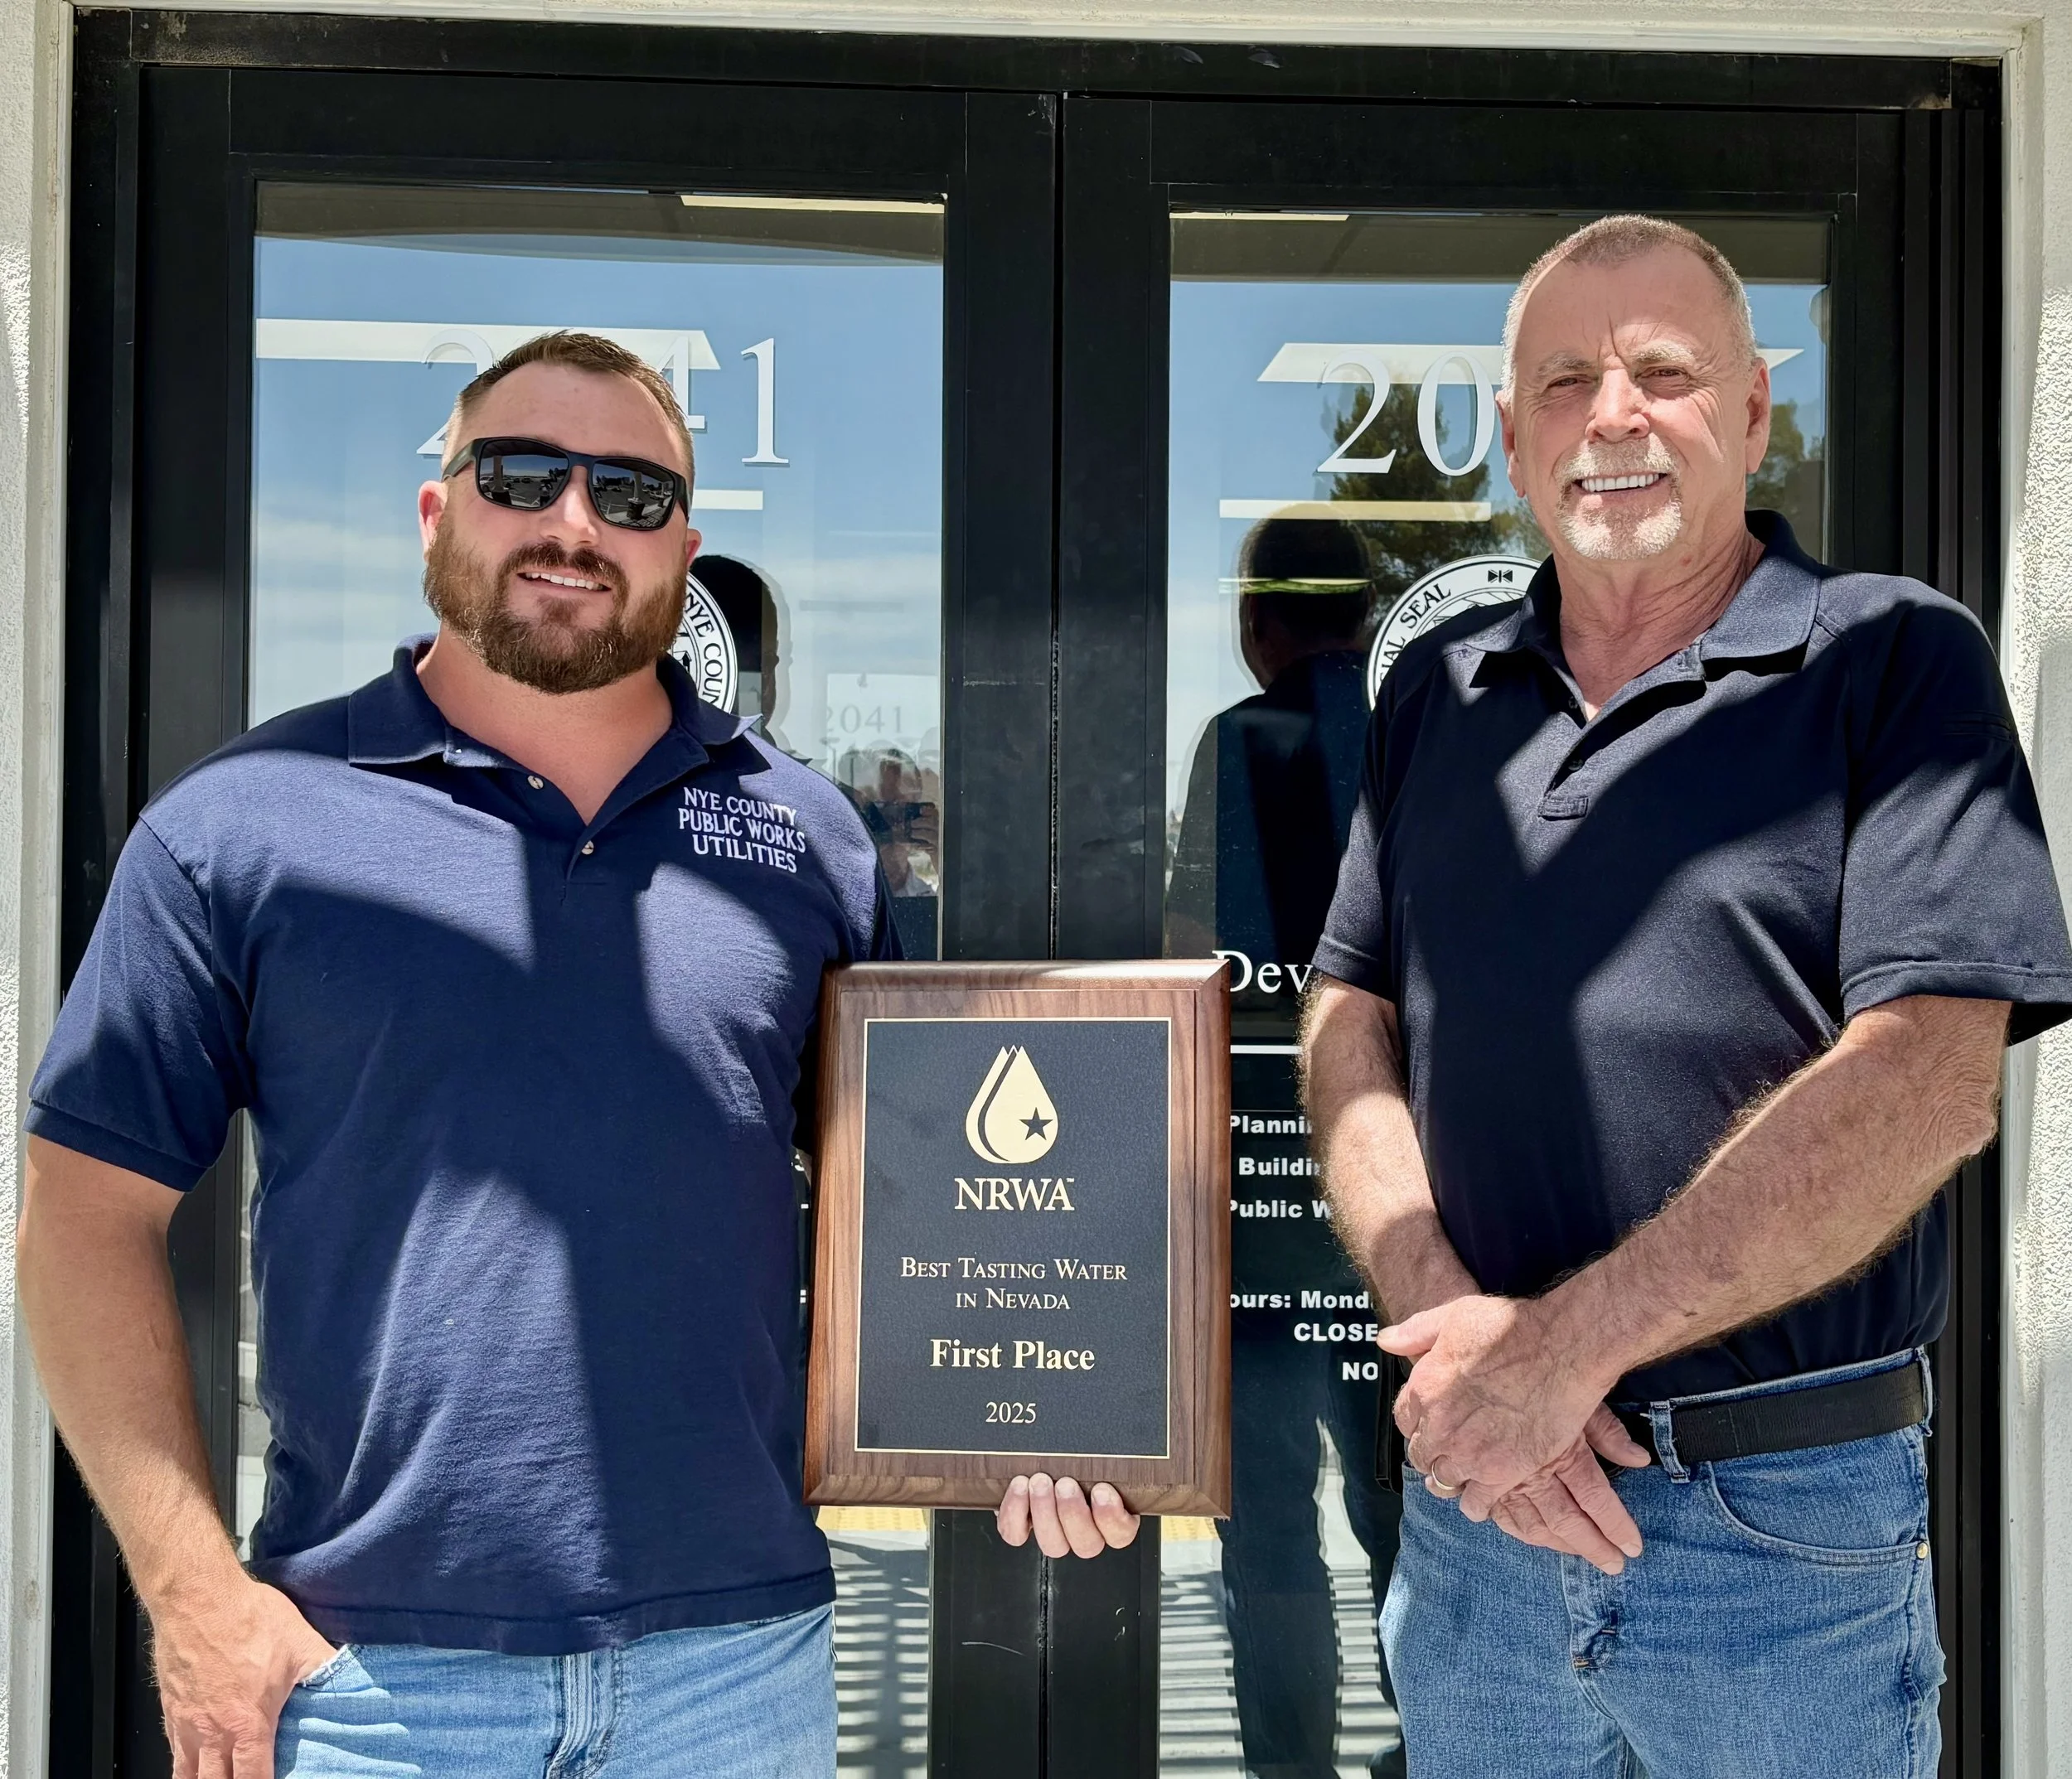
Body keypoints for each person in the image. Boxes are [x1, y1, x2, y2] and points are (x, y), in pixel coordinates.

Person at [16, 330, 1127, 1779]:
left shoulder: (808, 839)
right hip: (371, 1680)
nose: (574, 524)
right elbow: (83, 1220)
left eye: (632, 494)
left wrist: (1040, 1412)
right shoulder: (244, 824)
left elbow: (931, 1213)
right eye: (522, 475)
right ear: (439, 514)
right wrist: (192, 1594)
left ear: (685, 548)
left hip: (739, 1670)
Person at [1300, 215, 2072, 1777]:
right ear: (1511, 439)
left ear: (1755, 415)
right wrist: (1456, 1329)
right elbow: (1349, 1020)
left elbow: (1927, 1081)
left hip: (1776, 1534)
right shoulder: (1436, 697)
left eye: (1665, 372)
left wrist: (1560, 1355)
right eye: (1568, 380)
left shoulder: (1896, 663)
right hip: (1478, 1523)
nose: (1614, 415)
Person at [1170, 516, 1404, 1779]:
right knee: (1403, 1509)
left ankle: (1291, 1765)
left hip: (1258, 1204)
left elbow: (1194, 954)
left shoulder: (1236, 745)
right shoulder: (1409, 735)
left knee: (1266, 1527)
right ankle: (1428, 1741)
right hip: (1410, 1211)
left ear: (1254, 622)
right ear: (1364, 619)